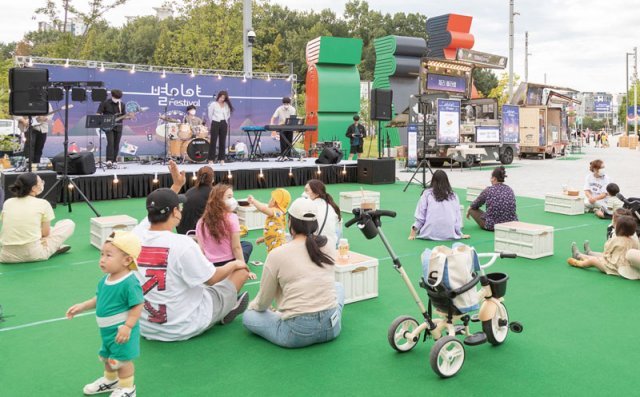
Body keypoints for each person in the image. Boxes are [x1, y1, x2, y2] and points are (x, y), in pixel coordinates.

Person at [132, 188, 252, 341]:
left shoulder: (135, 237)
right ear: (175, 212)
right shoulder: (183, 244)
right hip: (186, 325)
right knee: (240, 272)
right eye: (179, 207)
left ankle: (225, 307)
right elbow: (212, 278)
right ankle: (226, 309)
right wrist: (235, 264)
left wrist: (176, 184)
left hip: (147, 327)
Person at [242, 198, 344, 348]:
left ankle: (280, 316)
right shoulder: (328, 244)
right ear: (315, 223)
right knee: (339, 287)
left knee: (249, 316)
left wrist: (253, 306)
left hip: (297, 333)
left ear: (290, 223)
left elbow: (263, 302)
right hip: (332, 328)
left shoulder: (277, 254)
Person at [66, 231, 143, 397]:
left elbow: (138, 305)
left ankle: (128, 388)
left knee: (122, 360)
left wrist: (128, 326)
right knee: (108, 358)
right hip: (107, 332)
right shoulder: (106, 280)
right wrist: (82, 306)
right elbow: (98, 299)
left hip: (122, 331)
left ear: (127, 260)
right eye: (102, 254)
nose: (102, 259)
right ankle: (110, 381)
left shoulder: (130, 282)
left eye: (109, 255)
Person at [0, 173, 75, 263]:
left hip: (5, 256)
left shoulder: (8, 202)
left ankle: (51, 246)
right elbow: (45, 233)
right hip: (34, 254)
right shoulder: (43, 203)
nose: (43, 183)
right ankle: (53, 247)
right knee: (68, 224)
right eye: (41, 182)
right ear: (34, 188)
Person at [196, 184, 253, 266]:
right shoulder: (232, 218)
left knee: (246, 244)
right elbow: (236, 247)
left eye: (232, 196)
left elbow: (201, 249)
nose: (233, 200)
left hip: (210, 264)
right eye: (229, 197)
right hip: (230, 263)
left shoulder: (201, 221)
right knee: (247, 246)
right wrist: (243, 267)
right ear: (218, 200)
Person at [568, 216, 640, 279]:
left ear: (619, 228)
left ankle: (579, 263)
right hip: (625, 267)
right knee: (599, 258)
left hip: (613, 267)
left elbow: (607, 251)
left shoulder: (617, 239)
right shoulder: (634, 240)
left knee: (593, 260)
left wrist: (605, 257)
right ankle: (580, 255)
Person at [409, 170, 468, 241]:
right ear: (447, 181)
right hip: (450, 234)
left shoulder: (427, 194)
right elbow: (457, 217)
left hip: (429, 233)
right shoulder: (454, 195)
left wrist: (413, 232)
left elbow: (421, 215)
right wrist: (459, 233)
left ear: (433, 180)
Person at [467, 166, 518, 231]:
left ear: (494, 178)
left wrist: (469, 209)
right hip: (511, 223)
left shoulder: (488, 190)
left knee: (471, 209)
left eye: (491, 177)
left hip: (492, 225)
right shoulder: (510, 189)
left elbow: (474, 205)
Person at [247, 188, 291, 253]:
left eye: (271, 199)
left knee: (275, 259)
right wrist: (263, 238)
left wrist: (253, 201)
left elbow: (263, 209)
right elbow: (274, 230)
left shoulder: (276, 211)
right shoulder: (279, 213)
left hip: (277, 245)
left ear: (274, 202)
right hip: (275, 243)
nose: (269, 201)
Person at [303, 179, 342, 248]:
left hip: (317, 248)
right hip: (332, 244)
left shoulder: (309, 207)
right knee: (337, 230)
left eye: (307, 190)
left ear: (316, 194)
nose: (303, 193)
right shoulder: (330, 206)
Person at [176, 166, 214, 234]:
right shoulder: (213, 193)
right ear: (212, 178)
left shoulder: (190, 191)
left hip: (183, 230)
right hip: (198, 232)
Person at [207, 91, 233, 164]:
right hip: (215, 122)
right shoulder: (213, 104)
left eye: (223, 98)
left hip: (224, 123)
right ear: (218, 96)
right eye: (221, 97)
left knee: (222, 142)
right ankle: (211, 159)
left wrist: (225, 120)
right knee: (213, 141)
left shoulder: (226, 105)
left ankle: (221, 159)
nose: (222, 99)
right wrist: (213, 121)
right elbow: (210, 114)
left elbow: (228, 114)